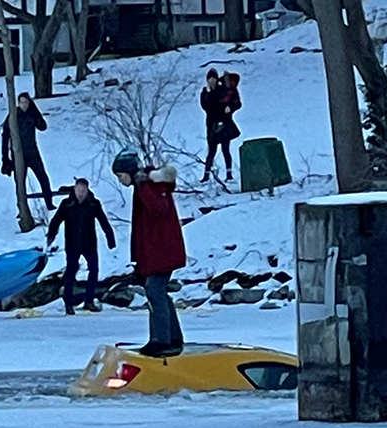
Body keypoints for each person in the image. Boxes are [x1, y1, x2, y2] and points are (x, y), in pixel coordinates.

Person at [111, 150, 186, 357]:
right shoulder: (144, 186)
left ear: (128, 171)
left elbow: (159, 210)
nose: (120, 180)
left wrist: (143, 187)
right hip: (157, 251)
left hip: (163, 251)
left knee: (155, 291)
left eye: (120, 176)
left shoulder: (148, 187)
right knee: (157, 291)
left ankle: (162, 340)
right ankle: (172, 337)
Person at [47, 177, 117, 315]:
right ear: (74, 189)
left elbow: (103, 220)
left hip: (89, 243)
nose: (81, 193)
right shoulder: (67, 204)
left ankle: (89, 301)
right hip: (72, 244)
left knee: (94, 271)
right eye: (78, 190)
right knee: (71, 273)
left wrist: (110, 238)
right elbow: (56, 220)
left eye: (83, 191)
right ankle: (68, 303)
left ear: (87, 190)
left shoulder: (93, 203)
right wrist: (51, 235)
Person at [1, 92, 55, 211]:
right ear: (18, 103)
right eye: (22, 102)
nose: (24, 105)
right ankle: (22, 208)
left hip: (32, 152)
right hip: (18, 155)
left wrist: (36, 111)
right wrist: (5, 158)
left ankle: (49, 203)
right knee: (20, 183)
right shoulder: (13, 116)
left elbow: (43, 126)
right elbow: (5, 137)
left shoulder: (32, 114)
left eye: (26, 102)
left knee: (43, 177)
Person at [200, 68, 242, 182]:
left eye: (214, 78)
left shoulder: (222, 91)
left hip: (224, 123)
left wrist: (230, 109)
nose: (212, 81)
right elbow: (206, 106)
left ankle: (229, 174)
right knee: (212, 151)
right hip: (212, 125)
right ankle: (206, 175)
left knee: (225, 149)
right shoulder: (205, 93)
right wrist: (209, 94)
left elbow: (233, 103)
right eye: (210, 79)